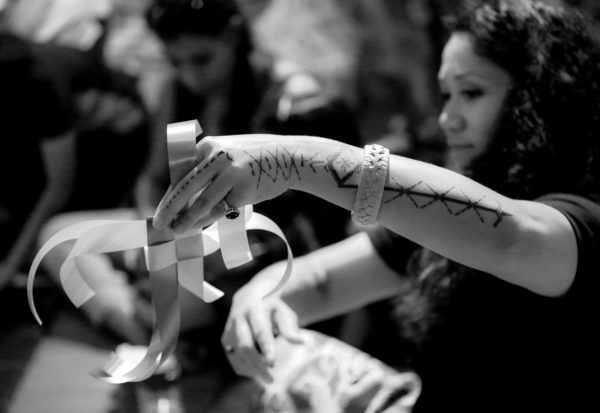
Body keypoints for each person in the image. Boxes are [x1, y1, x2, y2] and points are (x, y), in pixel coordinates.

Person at [152, 0, 600, 411]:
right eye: (446, 95)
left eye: (472, 93)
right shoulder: (456, 207)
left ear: (543, 96)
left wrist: (295, 159)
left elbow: (513, 238)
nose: (448, 118)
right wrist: (263, 295)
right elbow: (323, 281)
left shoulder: (580, 209)